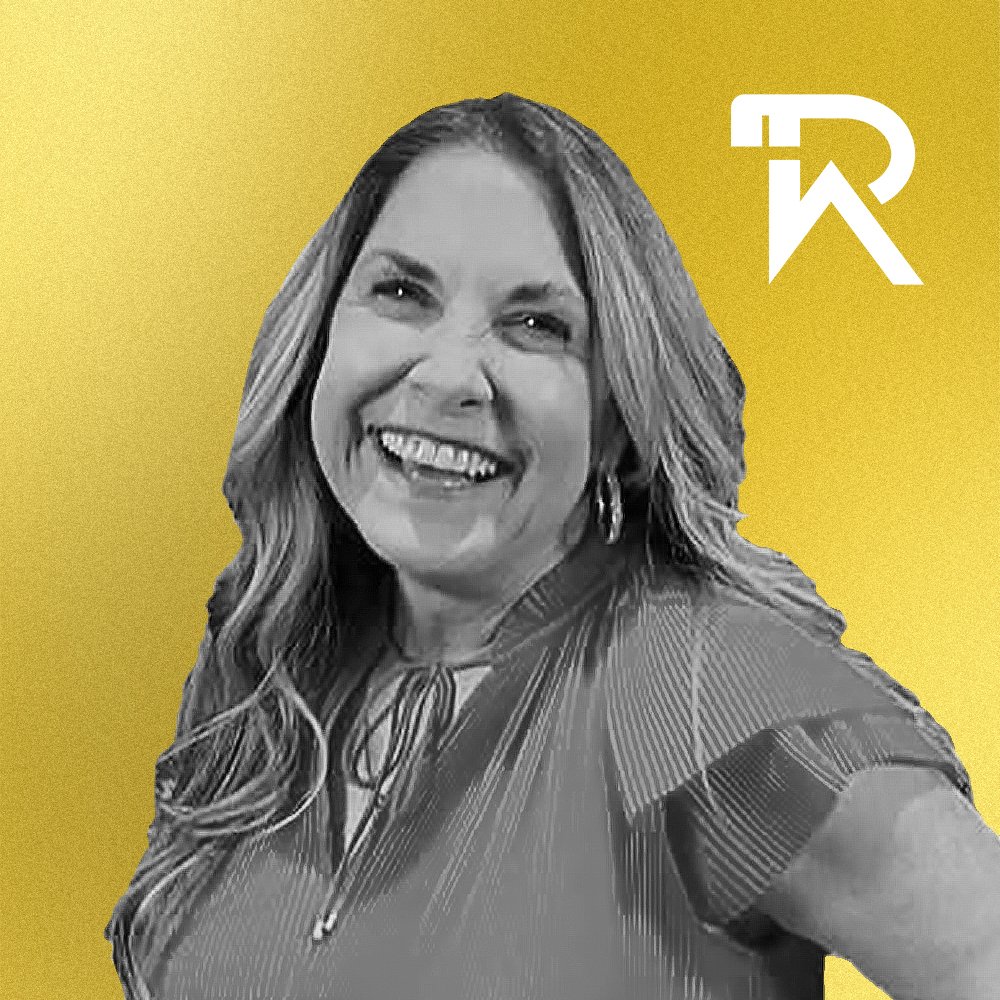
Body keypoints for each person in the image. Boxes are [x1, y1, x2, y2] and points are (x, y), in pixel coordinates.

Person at [106, 94, 1000, 1000]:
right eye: (401, 292)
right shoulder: (274, 671)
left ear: (617, 418)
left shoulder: (701, 687)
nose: (451, 376)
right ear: (320, 339)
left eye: (537, 326)